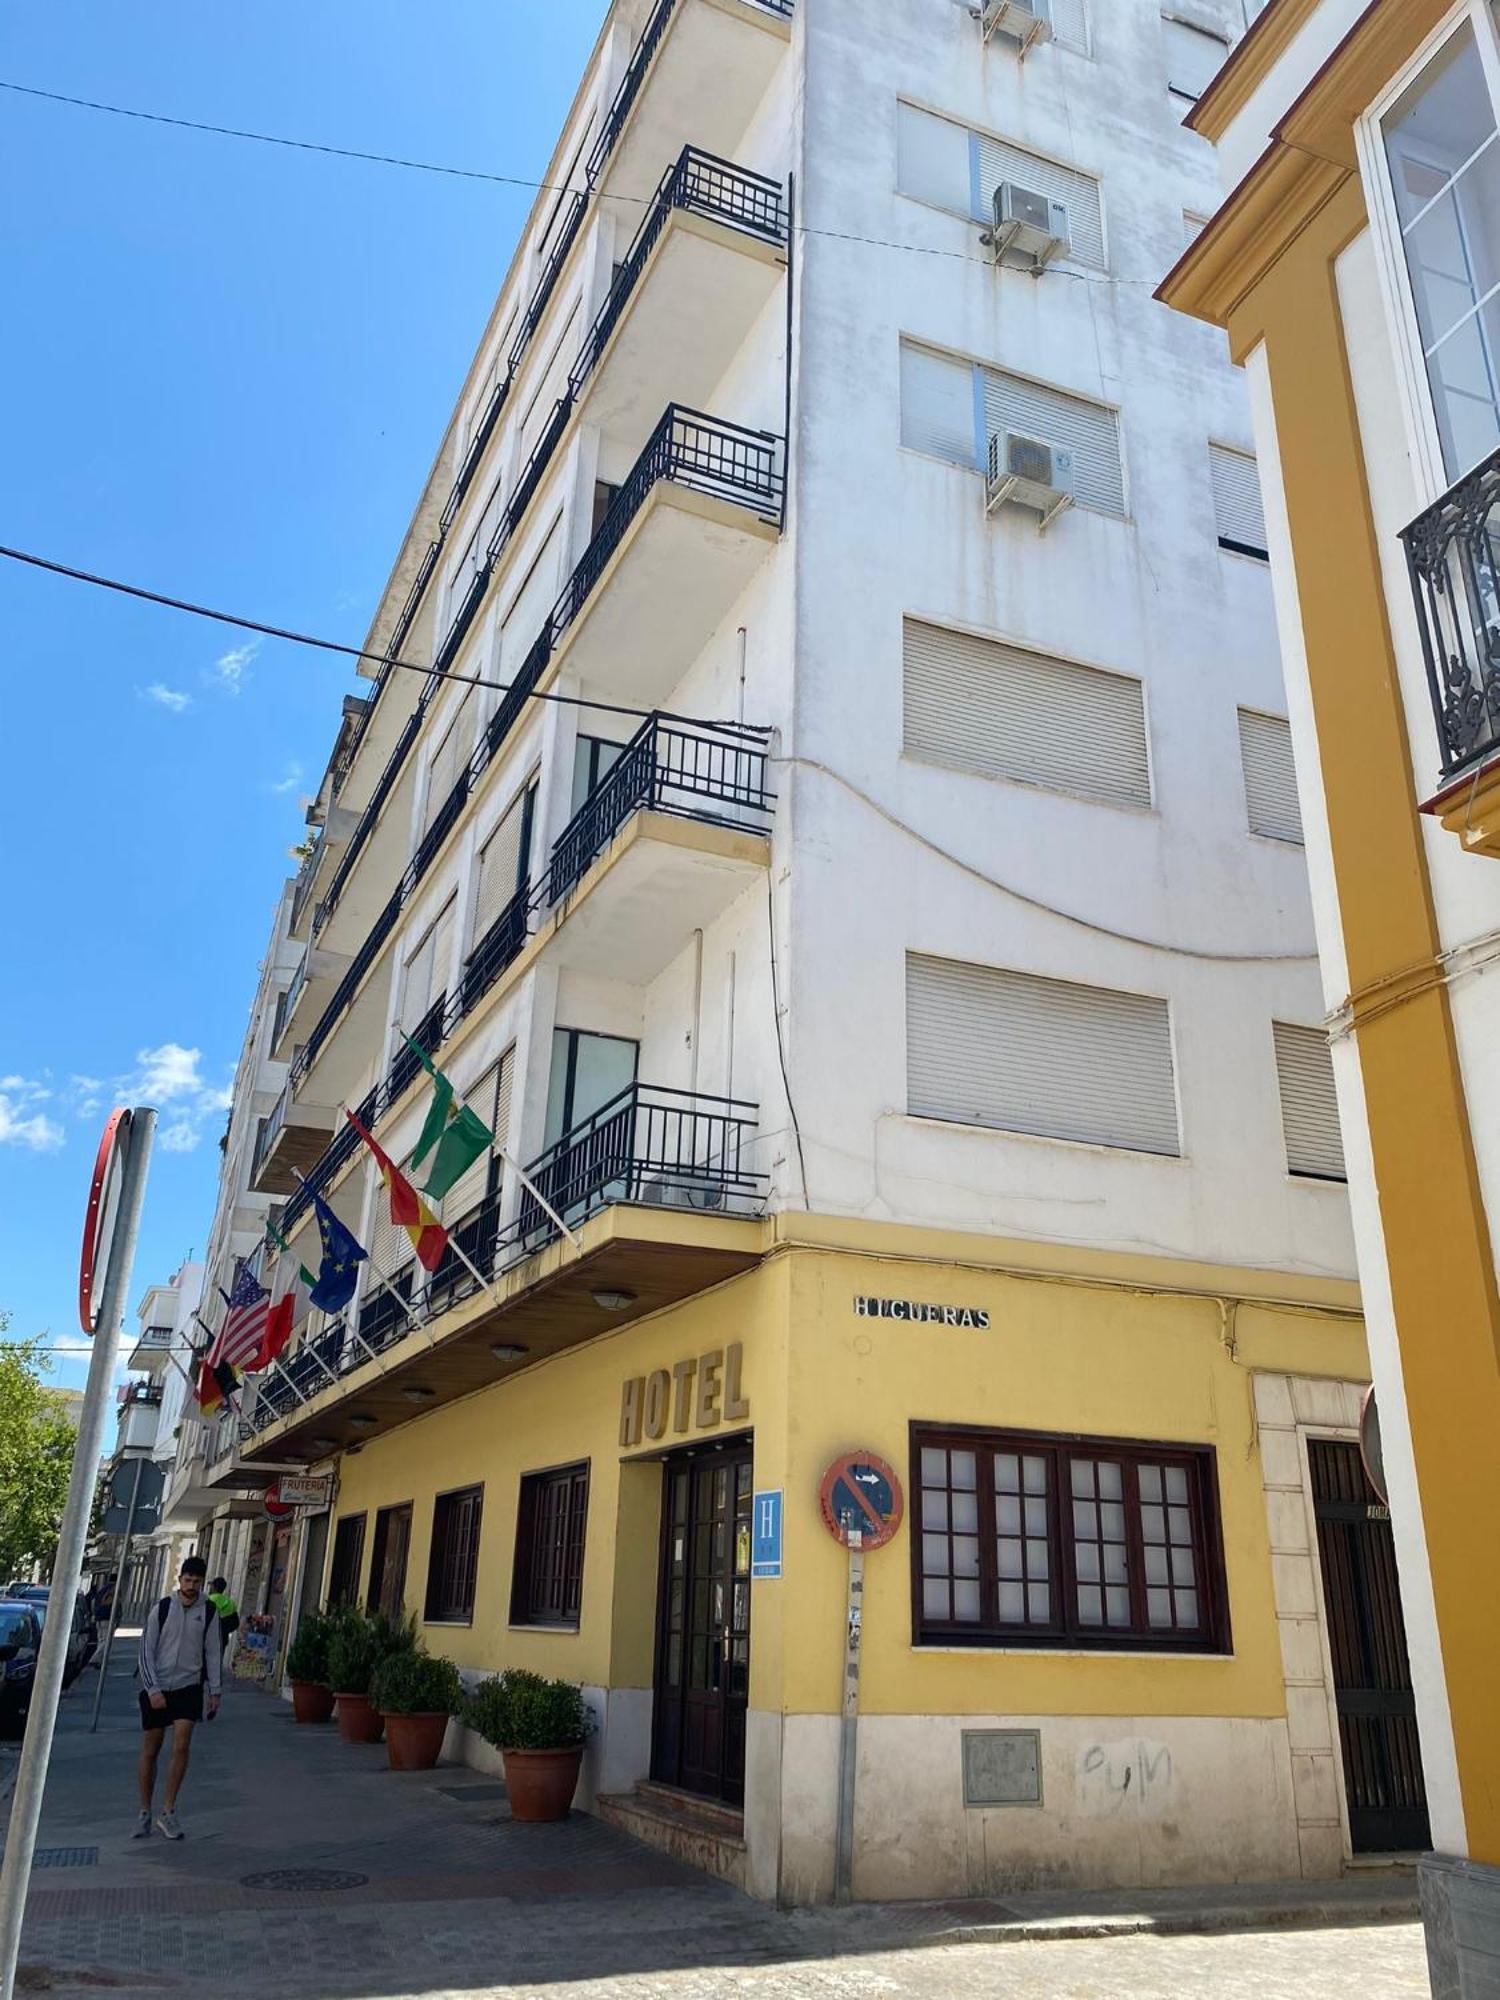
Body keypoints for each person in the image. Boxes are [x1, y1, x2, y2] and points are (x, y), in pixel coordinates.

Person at [136, 1557, 221, 1840]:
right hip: (157, 1685)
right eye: (187, 1580)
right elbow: (146, 1650)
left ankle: (168, 1810)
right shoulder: (161, 1609)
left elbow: (213, 1652)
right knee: (152, 1748)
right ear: (180, 1579)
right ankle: (144, 1811)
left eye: (197, 1582)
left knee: (182, 1744)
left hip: (189, 1685)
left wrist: (215, 1691)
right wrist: (153, 1689)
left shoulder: (208, 1611)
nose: (191, 1586)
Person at [206, 1577, 239, 1668]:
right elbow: (236, 1623)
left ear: (214, 1587)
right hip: (222, 1638)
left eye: (211, 1586)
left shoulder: (208, 1601)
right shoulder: (230, 1603)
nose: (210, 1588)